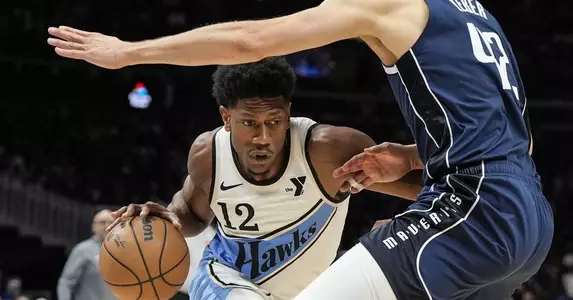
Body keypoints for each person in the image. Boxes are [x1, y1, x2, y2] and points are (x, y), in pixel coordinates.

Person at [47, 0, 555, 298]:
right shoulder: (479, 15)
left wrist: (130, 53)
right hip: (532, 217)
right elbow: (517, 136)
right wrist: (409, 153)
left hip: (473, 207)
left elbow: (250, 42)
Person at [106, 57, 422, 300]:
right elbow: (191, 214)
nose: (263, 137)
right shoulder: (209, 155)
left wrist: (415, 219)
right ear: (226, 118)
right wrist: (168, 216)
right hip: (225, 278)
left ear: (289, 113)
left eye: (274, 121)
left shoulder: (328, 151)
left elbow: (431, 189)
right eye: (249, 122)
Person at [57, 210, 116, 300]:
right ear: (93, 227)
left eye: (111, 222)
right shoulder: (82, 250)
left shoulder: (122, 251)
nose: (107, 226)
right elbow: (66, 282)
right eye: (102, 222)